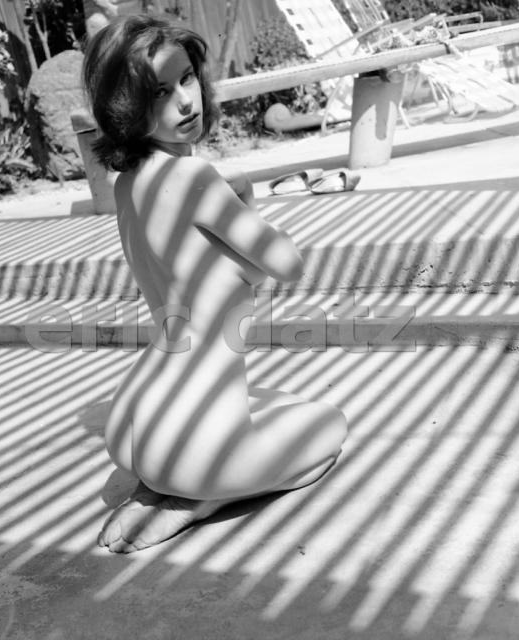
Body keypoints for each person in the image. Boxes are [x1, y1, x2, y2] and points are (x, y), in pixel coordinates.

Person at [82, 14, 347, 553]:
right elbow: (286, 263)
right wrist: (244, 198)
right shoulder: (195, 178)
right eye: (160, 91)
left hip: (131, 423)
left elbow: (227, 271)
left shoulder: (127, 185)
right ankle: (201, 498)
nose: (185, 101)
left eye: (186, 78)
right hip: (195, 447)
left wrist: (235, 199)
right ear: (127, 108)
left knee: (275, 402)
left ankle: (166, 487)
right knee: (330, 425)